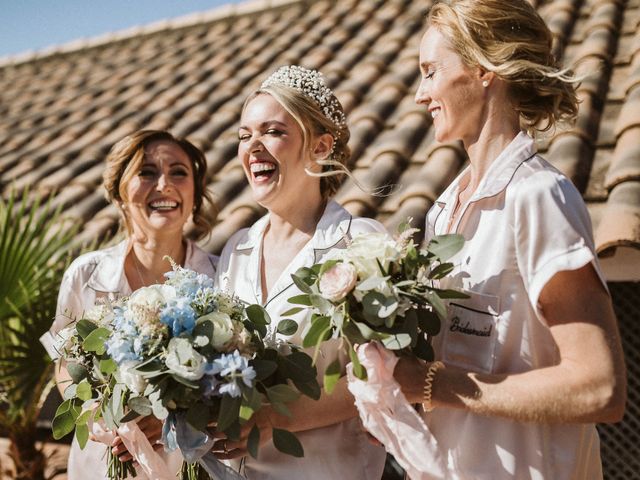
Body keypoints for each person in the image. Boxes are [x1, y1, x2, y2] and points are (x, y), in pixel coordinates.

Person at [350, 1, 627, 479]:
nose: (420, 94)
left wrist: (434, 385)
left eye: (430, 71)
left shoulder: (539, 196)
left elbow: (599, 387)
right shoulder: (442, 209)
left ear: (482, 70)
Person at [213, 65, 387, 479]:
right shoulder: (237, 247)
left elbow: (383, 376)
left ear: (321, 147)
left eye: (272, 131)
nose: (253, 146)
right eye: (244, 135)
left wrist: (276, 418)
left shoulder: (360, 244)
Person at [40, 130, 218, 480]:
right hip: (102, 461)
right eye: (147, 172)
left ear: (194, 194)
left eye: (178, 172)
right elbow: (64, 363)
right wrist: (99, 415)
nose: (164, 184)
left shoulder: (219, 277)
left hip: (190, 463)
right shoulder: (86, 275)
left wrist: (170, 415)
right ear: (120, 192)